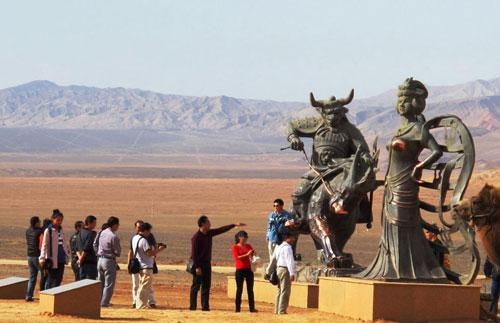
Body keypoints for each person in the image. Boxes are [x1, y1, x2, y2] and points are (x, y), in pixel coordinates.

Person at [357, 78, 447, 282]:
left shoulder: (418, 129)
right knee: (389, 225)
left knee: (402, 223)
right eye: (399, 100)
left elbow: (436, 151)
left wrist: (419, 166)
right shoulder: (400, 130)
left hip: (406, 184)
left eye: (405, 100)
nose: (401, 104)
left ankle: (407, 268)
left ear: (415, 103)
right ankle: (391, 264)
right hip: (391, 183)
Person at [189, 215, 245, 311]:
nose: (210, 224)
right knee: (196, 286)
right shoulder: (196, 237)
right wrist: (197, 267)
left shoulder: (209, 233)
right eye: (208, 222)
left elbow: (221, 230)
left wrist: (234, 225)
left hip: (207, 264)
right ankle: (192, 307)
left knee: (206, 286)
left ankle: (205, 307)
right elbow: (194, 254)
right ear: (202, 224)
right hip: (198, 264)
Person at [131, 222, 166, 309]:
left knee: (141, 286)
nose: (149, 233)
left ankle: (139, 303)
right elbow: (149, 253)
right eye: (149, 231)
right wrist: (159, 249)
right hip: (146, 266)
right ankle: (141, 305)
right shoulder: (143, 240)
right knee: (144, 287)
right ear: (146, 230)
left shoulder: (135, 238)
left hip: (140, 265)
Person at [39, 209, 71, 289]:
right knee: (51, 279)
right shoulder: (48, 231)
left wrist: (67, 253)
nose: (59, 222)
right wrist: (42, 259)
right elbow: (44, 245)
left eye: (61, 220)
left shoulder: (61, 230)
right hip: (51, 259)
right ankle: (48, 296)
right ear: (53, 219)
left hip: (61, 259)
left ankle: (55, 295)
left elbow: (64, 243)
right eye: (58, 220)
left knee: (59, 278)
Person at [95, 216, 121, 307]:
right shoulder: (113, 236)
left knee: (100, 283)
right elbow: (118, 252)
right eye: (117, 225)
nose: (118, 227)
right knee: (109, 284)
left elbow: (96, 244)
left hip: (100, 260)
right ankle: (104, 303)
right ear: (114, 225)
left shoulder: (101, 232)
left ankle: (98, 301)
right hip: (109, 261)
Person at [232, 230, 257, 313]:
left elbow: (253, 254)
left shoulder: (248, 246)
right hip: (240, 270)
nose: (246, 238)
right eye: (244, 237)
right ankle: (237, 308)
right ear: (240, 237)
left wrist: (253, 253)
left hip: (248, 269)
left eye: (247, 237)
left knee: (250, 289)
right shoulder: (235, 247)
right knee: (239, 289)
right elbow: (237, 257)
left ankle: (252, 308)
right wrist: (246, 254)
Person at [272, 231, 296, 315]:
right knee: (285, 291)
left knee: (279, 290)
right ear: (287, 238)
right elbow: (289, 261)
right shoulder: (288, 248)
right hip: (285, 270)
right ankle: (281, 310)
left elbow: (274, 258)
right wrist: (292, 273)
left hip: (279, 269)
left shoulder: (279, 246)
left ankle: (277, 309)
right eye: (292, 237)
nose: (294, 239)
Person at [25, 216, 42, 301]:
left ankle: (28, 296)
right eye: (39, 222)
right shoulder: (39, 231)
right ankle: (44, 294)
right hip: (37, 256)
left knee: (32, 277)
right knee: (44, 274)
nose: (40, 223)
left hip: (29, 255)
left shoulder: (28, 231)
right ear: (36, 223)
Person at [76, 215, 98, 280]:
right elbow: (86, 248)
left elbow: (76, 248)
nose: (95, 225)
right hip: (89, 262)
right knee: (89, 284)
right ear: (89, 223)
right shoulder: (90, 234)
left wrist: (80, 259)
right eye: (94, 223)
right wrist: (82, 258)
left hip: (82, 263)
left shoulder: (79, 233)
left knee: (82, 283)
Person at [39, 218, 51, 291]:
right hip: (45, 258)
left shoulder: (40, 233)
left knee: (43, 276)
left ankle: (42, 291)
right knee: (46, 276)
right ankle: (45, 291)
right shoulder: (45, 234)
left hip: (41, 257)